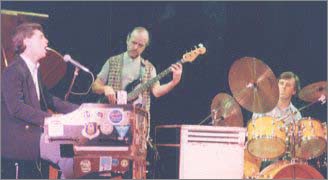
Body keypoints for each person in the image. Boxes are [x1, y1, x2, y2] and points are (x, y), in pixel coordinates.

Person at [1, 22, 79, 179]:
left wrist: (81, 109)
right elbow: (16, 107)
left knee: (73, 152)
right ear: (26, 42)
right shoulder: (13, 70)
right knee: (69, 157)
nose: (47, 41)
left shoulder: (34, 71)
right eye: (41, 37)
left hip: (35, 134)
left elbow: (49, 100)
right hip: (20, 139)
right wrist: (51, 119)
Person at [92, 26, 183, 112]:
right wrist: (105, 88)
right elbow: (95, 86)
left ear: (145, 47)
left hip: (137, 120)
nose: (136, 47)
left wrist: (174, 82)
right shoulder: (112, 62)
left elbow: (157, 92)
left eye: (140, 45)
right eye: (134, 42)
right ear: (127, 39)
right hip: (112, 114)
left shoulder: (149, 68)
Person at [251, 71, 302, 171]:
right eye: (281, 83)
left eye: (288, 85)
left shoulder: (296, 115)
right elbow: (254, 131)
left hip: (282, 159)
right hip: (261, 154)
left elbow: (295, 145)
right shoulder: (263, 106)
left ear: (294, 91)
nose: (283, 87)